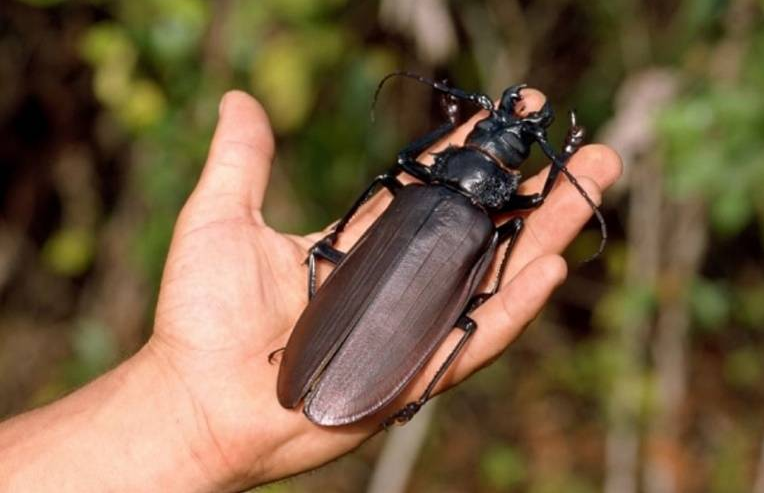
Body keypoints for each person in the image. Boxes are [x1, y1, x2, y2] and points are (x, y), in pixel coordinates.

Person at [0, 89, 622, 492]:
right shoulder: (483, 216)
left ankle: (387, 386)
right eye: (502, 139)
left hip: (386, 308)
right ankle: (401, 394)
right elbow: (533, 201)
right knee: (466, 322)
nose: (503, 138)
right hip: (396, 300)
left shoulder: (420, 190)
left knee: (465, 320)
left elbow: (431, 173)